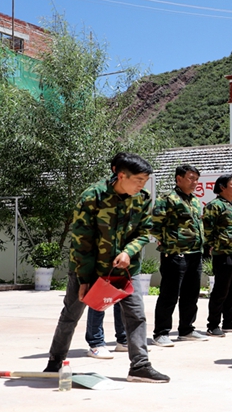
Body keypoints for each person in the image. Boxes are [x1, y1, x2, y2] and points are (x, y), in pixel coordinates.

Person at [43, 153, 169, 383]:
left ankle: (140, 366)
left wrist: (128, 252)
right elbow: (81, 240)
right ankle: (55, 362)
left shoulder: (142, 198)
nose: (142, 185)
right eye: (138, 180)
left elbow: (144, 232)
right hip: (89, 268)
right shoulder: (93, 197)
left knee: (136, 316)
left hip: (125, 270)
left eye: (144, 181)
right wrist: (84, 279)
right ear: (121, 175)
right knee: (71, 314)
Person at [151, 164, 208, 346]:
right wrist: (166, 241)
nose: (195, 182)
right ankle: (161, 333)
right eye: (191, 178)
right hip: (175, 254)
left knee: (191, 294)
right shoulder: (167, 199)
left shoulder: (195, 201)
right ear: (179, 179)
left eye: (197, 179)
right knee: (169, 294)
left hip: (195, 253)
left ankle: (186, 329)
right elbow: (155, 225)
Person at [84, 152, 130, 359]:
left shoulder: (133, 196)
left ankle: (123, 339)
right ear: (116, 171)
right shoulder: (98, 194)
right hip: (100, 258)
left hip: (123, 259)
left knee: (121, 299)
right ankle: (96, 342)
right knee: (99, 301)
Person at [202, 174, 232, 337]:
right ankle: (213, 325)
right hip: (224, 253)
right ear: (222, 187)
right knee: (221, 290)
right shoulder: (215, 205)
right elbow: (207, 229)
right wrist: (210, 247)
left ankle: (229, 321)